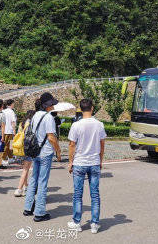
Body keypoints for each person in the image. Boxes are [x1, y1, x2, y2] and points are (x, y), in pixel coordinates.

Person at [67, 98, 106, 234]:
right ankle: (94, 224)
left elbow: (72, 145)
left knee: (77, 194)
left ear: (80, 109)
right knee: (95, 194)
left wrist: (71, 161)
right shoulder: (99, 124)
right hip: (94, 162)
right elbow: (102, 144)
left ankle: (77, 223)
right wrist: (100, 160)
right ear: (92, 108)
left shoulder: (76, 125)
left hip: (79, 162)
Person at [23, 92, 61, 222]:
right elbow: (51, 137)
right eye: (52, 104)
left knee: (34, 179)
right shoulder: (48, 117)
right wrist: (58, 151)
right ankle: (39, 212)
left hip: (35, 152)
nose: (53, 106)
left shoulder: (35, 116)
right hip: (45, 153)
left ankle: (28, 207)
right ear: (48, 105)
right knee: (43, 182)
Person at [14, 109, 36, 197]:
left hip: (21, 147)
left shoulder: (22, 123)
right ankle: (19, 189)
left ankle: (26, 187)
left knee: (25, 168)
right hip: (28, 147)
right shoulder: (30, 123)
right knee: (26, 169)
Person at [2, 99, 17, 165]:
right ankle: (3, 158)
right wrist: (14, 131)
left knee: (7, 145)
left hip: (3, 130)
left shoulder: (3, 111)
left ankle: (10, 158)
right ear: (11, 104)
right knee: (8, 146)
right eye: (13, 104)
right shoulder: (11, 112)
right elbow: (13, 122)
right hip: (9, 130)